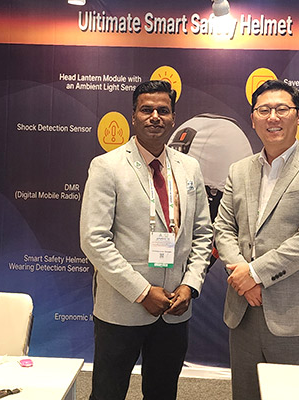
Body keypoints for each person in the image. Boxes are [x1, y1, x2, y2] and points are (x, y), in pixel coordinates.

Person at [80, 80, 213, 400]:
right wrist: (142, 292)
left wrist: (190, 286)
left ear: (173, 118)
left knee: (162, 392)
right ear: (134, 116)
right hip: (122, 307)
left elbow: (203, 234)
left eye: (163, 111)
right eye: (146, 110)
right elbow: (94, 240)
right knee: (108, 393)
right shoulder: (107, 166)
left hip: (175, 307)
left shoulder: (190, 167)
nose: (155, 116)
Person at [213, 79, 299, 400]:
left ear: (298, 116)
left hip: (298, 317)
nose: (273, 117)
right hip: (245, 311)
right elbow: (223, 228)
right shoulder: (238, 171)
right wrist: (243, 277)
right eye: (264, 110)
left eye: (281, 109)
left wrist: (254, 274)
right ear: (253, 118)